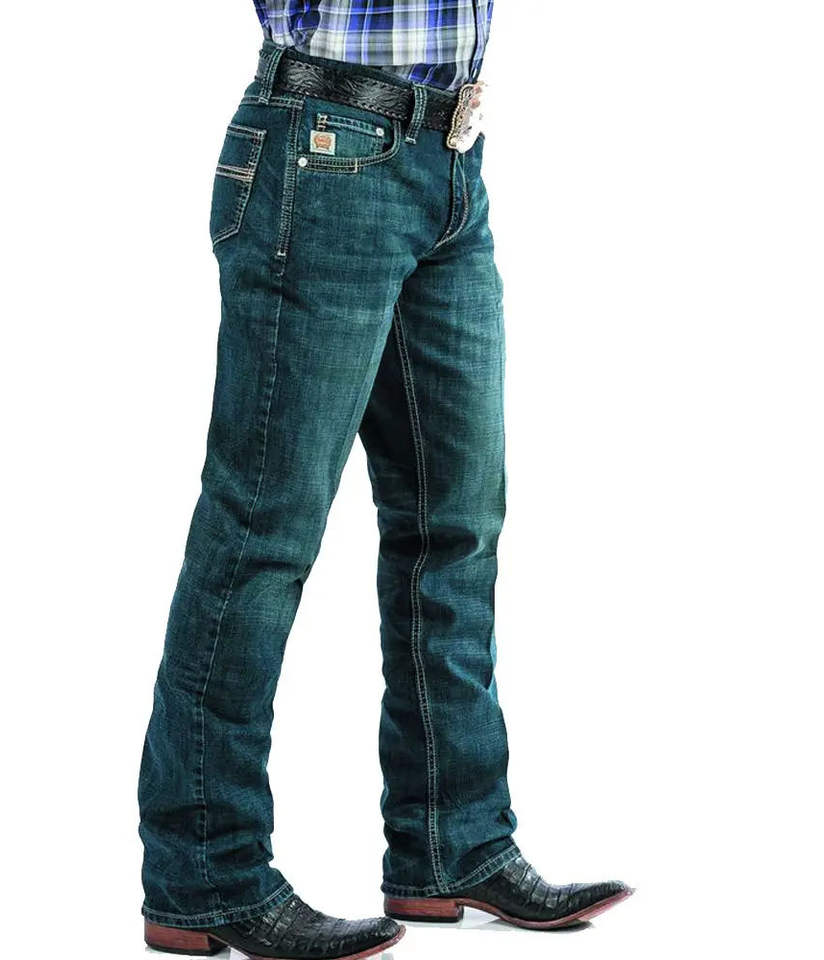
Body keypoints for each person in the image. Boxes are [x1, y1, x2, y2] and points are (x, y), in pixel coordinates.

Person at [138, 4, 632, 958]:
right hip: (323, 150)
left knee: (456, 525)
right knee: (263, 531)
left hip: (452, 160)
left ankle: (455, 843)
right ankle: (206, 874)